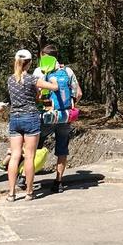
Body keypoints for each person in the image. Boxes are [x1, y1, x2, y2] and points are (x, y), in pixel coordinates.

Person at [5, 49, 62, 201]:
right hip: (30, 117)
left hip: (14, 118)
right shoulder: (32, 79)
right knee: (29, 157)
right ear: (29, 63)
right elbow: (53, 88)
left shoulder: (10, 79)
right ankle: (29, 192)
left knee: (15, 156)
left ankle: (11, 193)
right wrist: (54, 80)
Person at [34, 45, 82, 193]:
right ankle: (58, 182)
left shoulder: (40, 71)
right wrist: (70, 105)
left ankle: (24, 176)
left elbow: (37, 94)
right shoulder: (67, 71)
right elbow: (78, 93)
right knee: (62, 150)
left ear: (44, 56)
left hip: (47, 116)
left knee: (34, 146)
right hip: (65, 116)